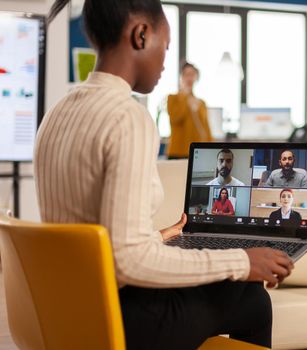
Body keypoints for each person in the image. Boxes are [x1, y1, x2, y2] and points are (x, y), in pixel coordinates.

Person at [37, 1, 294, 349]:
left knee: (239, 286)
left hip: (67, 311)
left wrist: (154, 237)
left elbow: (93, 236)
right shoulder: (126, 116)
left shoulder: (57, 112)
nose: (164, 63)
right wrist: (242, 260)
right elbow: (127, 262)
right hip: (122, 319)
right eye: (166, 46)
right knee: (251, 298)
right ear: (141, 34)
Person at [166, 62, 213, 159]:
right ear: (181, 77)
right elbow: (175, 119)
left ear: (196, 77)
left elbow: (206, 129)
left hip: (196, 153)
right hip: (177, 152)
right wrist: (184, 96)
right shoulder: (173, 98)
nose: (189, 78)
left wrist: (212, 149)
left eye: (192, 75)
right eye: (186, 74)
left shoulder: (201, 103)